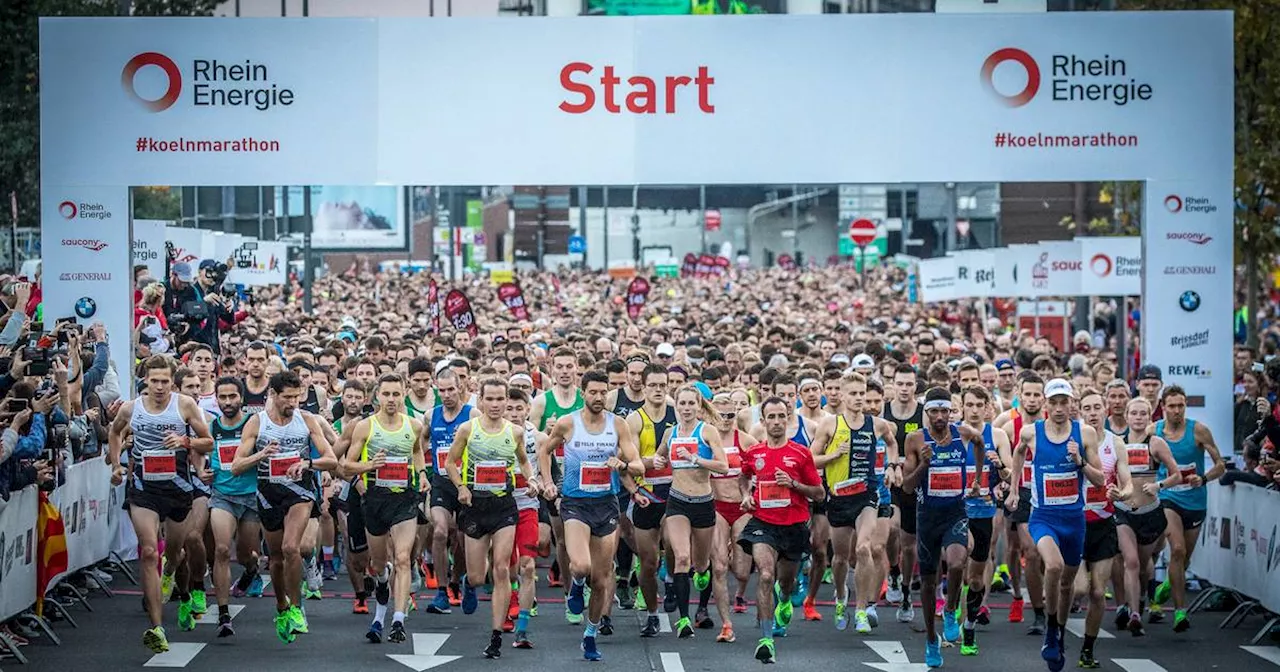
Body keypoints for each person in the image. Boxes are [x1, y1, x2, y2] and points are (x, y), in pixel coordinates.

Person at [108, 355, 214, 653]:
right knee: (150, 551)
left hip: (179, 489)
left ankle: (175, 583)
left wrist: (185, 442)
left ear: (172, 381)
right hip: (143, 490)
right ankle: (156, 627)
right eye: (154, 381)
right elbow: (115, 433)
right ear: (145, 381)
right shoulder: (132, 408)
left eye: (165, 381)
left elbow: (209, 442)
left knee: (176, 553)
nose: (159, 387)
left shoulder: (185, 405)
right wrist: (117, 465)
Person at [539, 369, 643, 661]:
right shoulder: (567, 423)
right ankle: (576, 588)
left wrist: (621, 464)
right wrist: (548, 483)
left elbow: (638, 466)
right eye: (593, 392)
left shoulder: (618, 425)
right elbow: (544, 452)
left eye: (603, 392)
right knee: (582, 566)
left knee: (602, 578)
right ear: (582, 393)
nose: (598, 397)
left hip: (607, 505)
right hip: (575, 504)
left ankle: (590, 633)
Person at [231, 371, 338, 644]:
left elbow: (331, 458)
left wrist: (307, 464)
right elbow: (236, 466)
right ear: (273, 396)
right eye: (287, 397)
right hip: (269, 493)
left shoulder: (307, 420)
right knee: (276, 558)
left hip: (300, 491)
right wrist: (261, 454)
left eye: (297, 396)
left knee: (292, 548)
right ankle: (281, 606)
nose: (293, 402)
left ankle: (297, 607)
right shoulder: (257, 423)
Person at [1006, 378, 1105, 672]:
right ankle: (1050, 628)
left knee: (1067, 587)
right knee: (1053, 566)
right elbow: (1018, 454)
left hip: (1074, 520)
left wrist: (1079, 462)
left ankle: (1059, 633)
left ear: (1071, 404)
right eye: (1055, 403)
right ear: (1046, 404)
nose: (1060, 408)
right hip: (1043, 517)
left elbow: (1100, 479)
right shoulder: (1031, 432)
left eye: (1065, 402)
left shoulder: (1084, 433)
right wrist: (1013, 489)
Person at [446, 378, 538, 659]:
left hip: (504, 506)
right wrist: (461, 487)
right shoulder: (467, 429)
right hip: (475, 505)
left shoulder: (516, 431)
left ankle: (496, 635)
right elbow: (451, 461)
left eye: (501, 399)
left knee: (501, 569)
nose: (497, 405)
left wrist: (531, 478)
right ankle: (467, 583)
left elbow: (523, 460)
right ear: (481, 401)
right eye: (491, 399)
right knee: (476, 576)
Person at [808, 372, 900, 634]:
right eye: (854, 394)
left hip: (867, 495)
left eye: (862, 394)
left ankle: (861, 609)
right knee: (839, 558)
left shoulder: (878, 424)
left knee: (863, 548)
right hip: (838, 498)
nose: (859, 398)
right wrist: (834, 455)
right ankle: (840, 598)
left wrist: (892, 466)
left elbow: (892, 444)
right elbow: (811, 459)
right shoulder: (830, 425)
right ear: (842, 396)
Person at [736, 397, 824, 664]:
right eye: (770, 417)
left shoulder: (800, 453)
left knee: (784, 582)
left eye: (780, 417)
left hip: (794, 525)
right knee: (764, 575)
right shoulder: (755, 453)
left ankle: (784, 599)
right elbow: (743, 475)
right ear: (762, 421)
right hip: (763, 523)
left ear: (788, 419)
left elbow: (819, 493)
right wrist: (746, 495)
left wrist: (794, 484)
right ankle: (766, 639)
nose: (776, 422)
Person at [343, 373, 427, 645]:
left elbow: (416, 452)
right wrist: (369, 467)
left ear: (404, 394)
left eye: (396, 394)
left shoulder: (414, 425)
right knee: (379, 565)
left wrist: (422, 473)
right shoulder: (365, 427)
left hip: (404, 499)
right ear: (377, 395)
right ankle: (381, 586)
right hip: (374, 500)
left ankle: (398, 620)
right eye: (386, 394)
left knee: (403, 558)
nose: (391, 399)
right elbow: (346, 466)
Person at [902, 387, 979, 669]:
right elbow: (907, 486)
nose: (939, 416)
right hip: (927, 517)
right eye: (933, 411)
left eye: (944, 410)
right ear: (926, 413)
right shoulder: (915, 439)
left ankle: (949, 609)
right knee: (928, 581)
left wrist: (977, 480)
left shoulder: (963, 434)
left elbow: (981, 444)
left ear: (951, 411)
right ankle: (931, 640)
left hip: (956, 512)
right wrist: (924, 464)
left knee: (958, 563)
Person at [1150, 385, 1226, 632]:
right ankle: (1180, 612)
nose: (1177, 411)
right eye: (1171, 406)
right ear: (1163, 407)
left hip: (1195, 501)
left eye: (1181, 405)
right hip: (1168, 497)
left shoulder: (1199, 431)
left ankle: (1167, 587)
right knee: (1178, 549)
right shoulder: (1155, 431)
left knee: (1183, 559)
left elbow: (1220, 465)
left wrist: (1203, 479)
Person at [659, 385, 729, 638]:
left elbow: (723, 466)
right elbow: (659, 458)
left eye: (691, 404)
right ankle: (684, 620)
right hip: (677, 501)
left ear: (699, 407)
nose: (687, 408)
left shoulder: (707, 431)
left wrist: (696, 459)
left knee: (700, 565)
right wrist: (657, 461)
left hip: (703, 502)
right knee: (681, 558)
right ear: (676, 406)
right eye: (682, 404)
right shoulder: (671, 433)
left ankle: (702, 603)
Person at [1112, 397, 1181, 636]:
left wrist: (1158, 485)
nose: (1139, 417)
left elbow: (1177, 475)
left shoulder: (1156, 443)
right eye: (1134, 413)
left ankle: (1138, 600)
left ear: (1150, 417)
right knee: (1129, 561)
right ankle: (1134, 614)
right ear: (1127, 416)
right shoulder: (1117, 443)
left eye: (1143, 413)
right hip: (1124, 512)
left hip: (1150, 513)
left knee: (1142, 566)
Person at [1074, 388, 1131, 668]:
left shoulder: (1115, 442)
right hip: (1074, 525)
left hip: (1104, 524)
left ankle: (1087, 649)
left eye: (1098, 407)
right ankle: (1055, 627)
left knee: (1098, 592)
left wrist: (1123, 493)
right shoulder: (1071, 442)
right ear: (1080, 411)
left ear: (1105, 410)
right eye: (1088, 408)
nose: (1093, 413)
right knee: (1079, 588)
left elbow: (1127, 482)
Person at [957, 385, 1012, 657]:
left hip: (983, 513)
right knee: (957, 561)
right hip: (956, 512)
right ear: (962, 407)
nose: (975, 410)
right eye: (970, 405)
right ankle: (953, 614)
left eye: (980, 405)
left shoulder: (997, 435)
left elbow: (1011, 476)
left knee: (975, 577)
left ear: (987, 407)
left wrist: (1000, 465)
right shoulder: (952, 435)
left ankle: (969, 623)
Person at [625, 364, 677, 635]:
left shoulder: (677, 413)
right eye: (653, 385)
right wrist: (648, 460)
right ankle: (653, 614)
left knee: (671, 540)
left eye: (663, 385)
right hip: (646, 493)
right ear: (643, 387)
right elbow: (628, 461)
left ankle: (669, 579)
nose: (658, 390)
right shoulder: (634, 420)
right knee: (647, 561)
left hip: (674, 490)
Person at [994, 372, 1049, 631]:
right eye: (1027, 393)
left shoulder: (1053, 424)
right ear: (1019, 394)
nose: (1032, 399)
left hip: (1047, 494)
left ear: (1044, 398)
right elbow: (997, 457)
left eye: (1037, 394)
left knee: (1035, 551)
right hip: (1019, 492)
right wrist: (1003, 479)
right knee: (1017, 549)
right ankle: (1018, 595)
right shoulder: (1008, 425)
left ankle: (1042, 604)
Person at [207, 376, 260, 638]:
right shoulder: (211, 426)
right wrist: (201, 471)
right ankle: (224, 613)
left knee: (247, 553)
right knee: (221, 549)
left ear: (241, 397)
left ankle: (252, 570)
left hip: (251, 496)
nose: (227, 402)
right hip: (222, 495)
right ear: (216, 399)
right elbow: (201, 453)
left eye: (232, 397)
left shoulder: (254, 425)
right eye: (223, 397)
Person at [424, 369, 478, 614]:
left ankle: (460, 581)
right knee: (440, 532)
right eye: (441, 390)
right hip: (441, 483)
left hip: (467, 484)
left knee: (465, 539)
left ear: (461, 388)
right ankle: (442, 591)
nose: (446, 395)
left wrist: (467, 440)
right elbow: (419, 445)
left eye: (451, 390)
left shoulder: (472, 415)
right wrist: (419, 471)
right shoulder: (431, 415)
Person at [507, 387, 548, 649]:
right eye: (508, 408)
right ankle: (509, 598)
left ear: (528, 410)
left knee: (529, 566)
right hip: (499, 509)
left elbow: (546, 474)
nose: (513, 414)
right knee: (503, 567)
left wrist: (542, 484)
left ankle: (522, 628)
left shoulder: (540, 438)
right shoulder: (490, 434)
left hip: (527, 508)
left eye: (518, 408)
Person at [882, 362, 922, 623]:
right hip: (890, 485)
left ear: (915, 386)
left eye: (909, 384)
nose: (905, 388)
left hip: (914, 486)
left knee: (910, 547)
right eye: (900, 383)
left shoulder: (923, 414)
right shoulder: (884, 413)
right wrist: (891, 465)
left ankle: (906, 591)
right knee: (892, 530)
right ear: (893, 385)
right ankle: (893, 572)